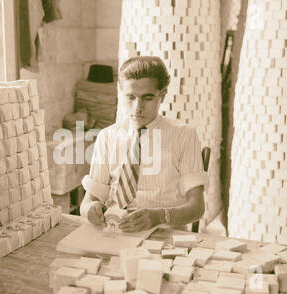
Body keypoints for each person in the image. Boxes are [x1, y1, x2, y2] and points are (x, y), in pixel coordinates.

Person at [80, 56, 208, 232]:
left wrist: (159, 216)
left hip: (166, 233)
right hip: (118, 231)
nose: (137, 107)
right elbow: (87, 202)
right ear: (121, 92)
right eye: (131, 97)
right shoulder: (107, 136)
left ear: (161, 95)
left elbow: (197, 208)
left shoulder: (184, 135)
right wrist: (91, 209)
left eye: (147, 98)